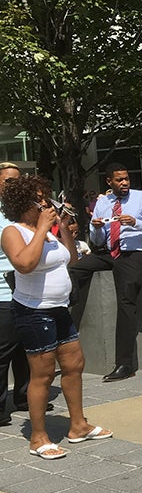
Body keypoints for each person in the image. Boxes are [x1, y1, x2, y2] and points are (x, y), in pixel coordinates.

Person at [1, 174, 112, 459]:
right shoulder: (14, 231)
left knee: (74, 364)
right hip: (34, 311)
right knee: (43, 373)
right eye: (40, 199)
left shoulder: (47, 231)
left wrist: (61, 228)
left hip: (59, 308)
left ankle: (78, 425)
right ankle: (38, 438)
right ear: (24, 202)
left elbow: (71, 260)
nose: (45, 203)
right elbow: (24, 264)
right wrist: (40, 228)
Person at [70, 162, 142, 381]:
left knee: (125, 300)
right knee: (75, 269)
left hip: (137, 253)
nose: (124, 183)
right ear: (109, 181)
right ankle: (69, 303)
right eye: (119, 180)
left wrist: (137, 223)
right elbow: (98, 240)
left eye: (126, 179)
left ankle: (124, 363)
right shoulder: (103, 203)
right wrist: (94, 229)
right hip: (108, 251)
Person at [0, 161, 30, 426]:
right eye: (8, 181)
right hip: (3, 293)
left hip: (27, 291)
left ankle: (24, 397)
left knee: (26, 349)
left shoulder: (23, 212)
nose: (13, 185)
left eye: (17, 180)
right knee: (3, 352)